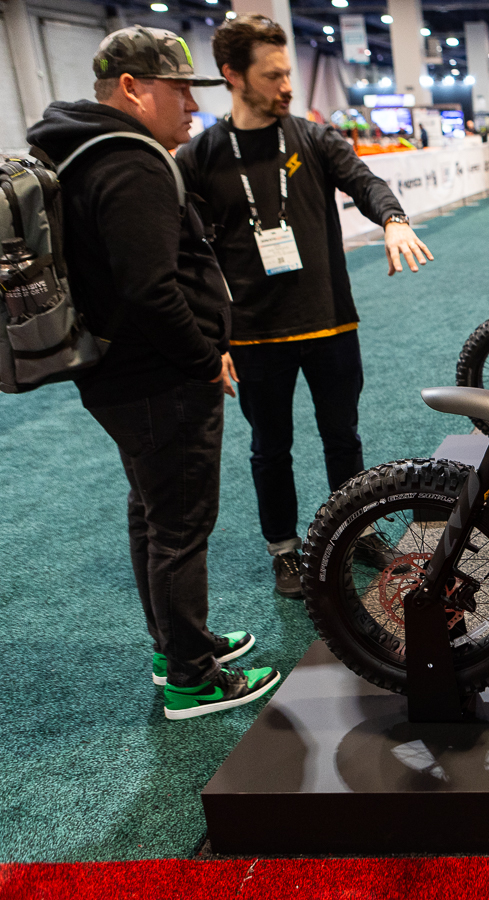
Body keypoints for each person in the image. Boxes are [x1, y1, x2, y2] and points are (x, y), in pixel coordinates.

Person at [27, 26, 280, 719]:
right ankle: (192, 679)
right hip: (157, 378)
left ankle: (177, 646)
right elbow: (151, 290)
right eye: (179, 91)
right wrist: (204, 357)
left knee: (153, 513)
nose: (193, 106)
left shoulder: (82, 148)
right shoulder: (128, 162)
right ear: (132, 88)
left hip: (123, 375)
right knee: (179, 525)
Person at [177, 14, 433, 598]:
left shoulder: (315, 139)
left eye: (288, 73)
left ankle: (355, 531)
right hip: (253, 333)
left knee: (343, 437)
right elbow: (186, 256)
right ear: (233, 76)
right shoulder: (201, 156)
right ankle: (284, 551)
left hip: (329, 323)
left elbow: (366, 182)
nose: (287, 86)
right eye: (272, 76)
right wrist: (210, 338)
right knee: (270, 448)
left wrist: (393, 220)